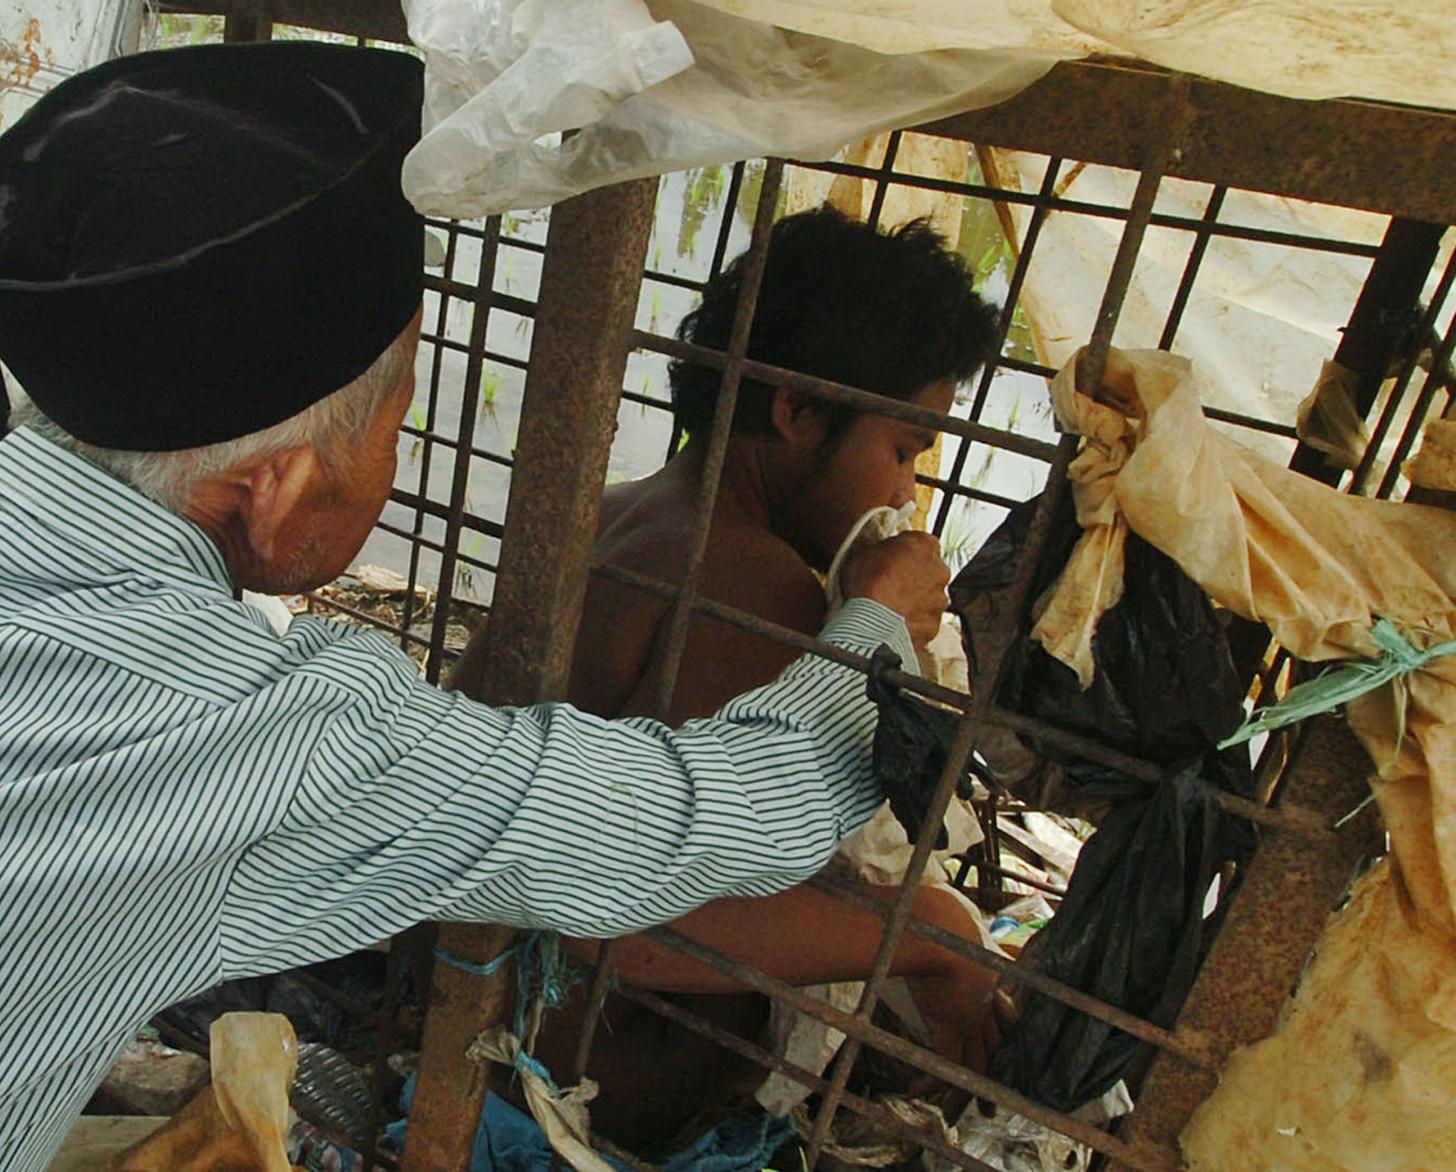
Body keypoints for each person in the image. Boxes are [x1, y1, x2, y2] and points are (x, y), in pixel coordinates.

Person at [0, 45, 950, 1170]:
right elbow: (701, 822)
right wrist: (878, 624)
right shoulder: (243, 736)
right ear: (273, 485)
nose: (400, 449)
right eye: (400, 413)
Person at [451, 207, 1006, 1148]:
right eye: (903, 449)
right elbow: (614, 910)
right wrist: (925, 937)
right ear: (795, 413)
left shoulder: (619, 511)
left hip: (457, 1030)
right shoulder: (750, 579)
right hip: (555, 1114)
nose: (908, 492)